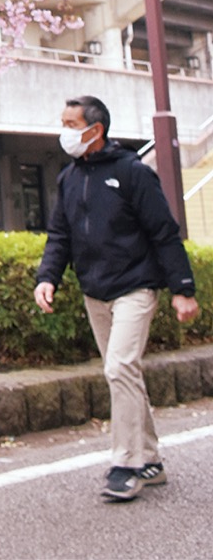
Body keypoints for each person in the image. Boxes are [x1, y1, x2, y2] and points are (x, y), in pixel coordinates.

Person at [34, 94, 199, 503]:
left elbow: (164, 231)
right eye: (63, 123)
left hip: (135, 287)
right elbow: (61, 235)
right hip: (96, 291)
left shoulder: (131, 173)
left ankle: (125, 464)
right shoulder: (69, 177)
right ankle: (152, 460)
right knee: (124, 373)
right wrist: (47, 276)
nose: (65, 132)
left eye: (71, 124)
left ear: (96, 130)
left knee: (119, 367)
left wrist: (182, 289)